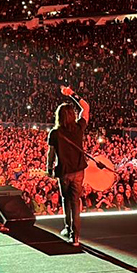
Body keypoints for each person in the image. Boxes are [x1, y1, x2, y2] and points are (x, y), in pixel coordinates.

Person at [47, 92, 89, 246]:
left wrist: (48, 168)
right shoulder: (79, 128)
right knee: (75, 201)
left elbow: (51, 153)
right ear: (72, 115)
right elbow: (86, 107)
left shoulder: (55, 133)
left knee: (66, 200)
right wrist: (71, 93)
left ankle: (68, 228)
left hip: (64, 172)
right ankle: (76, 237)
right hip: (79, 171)